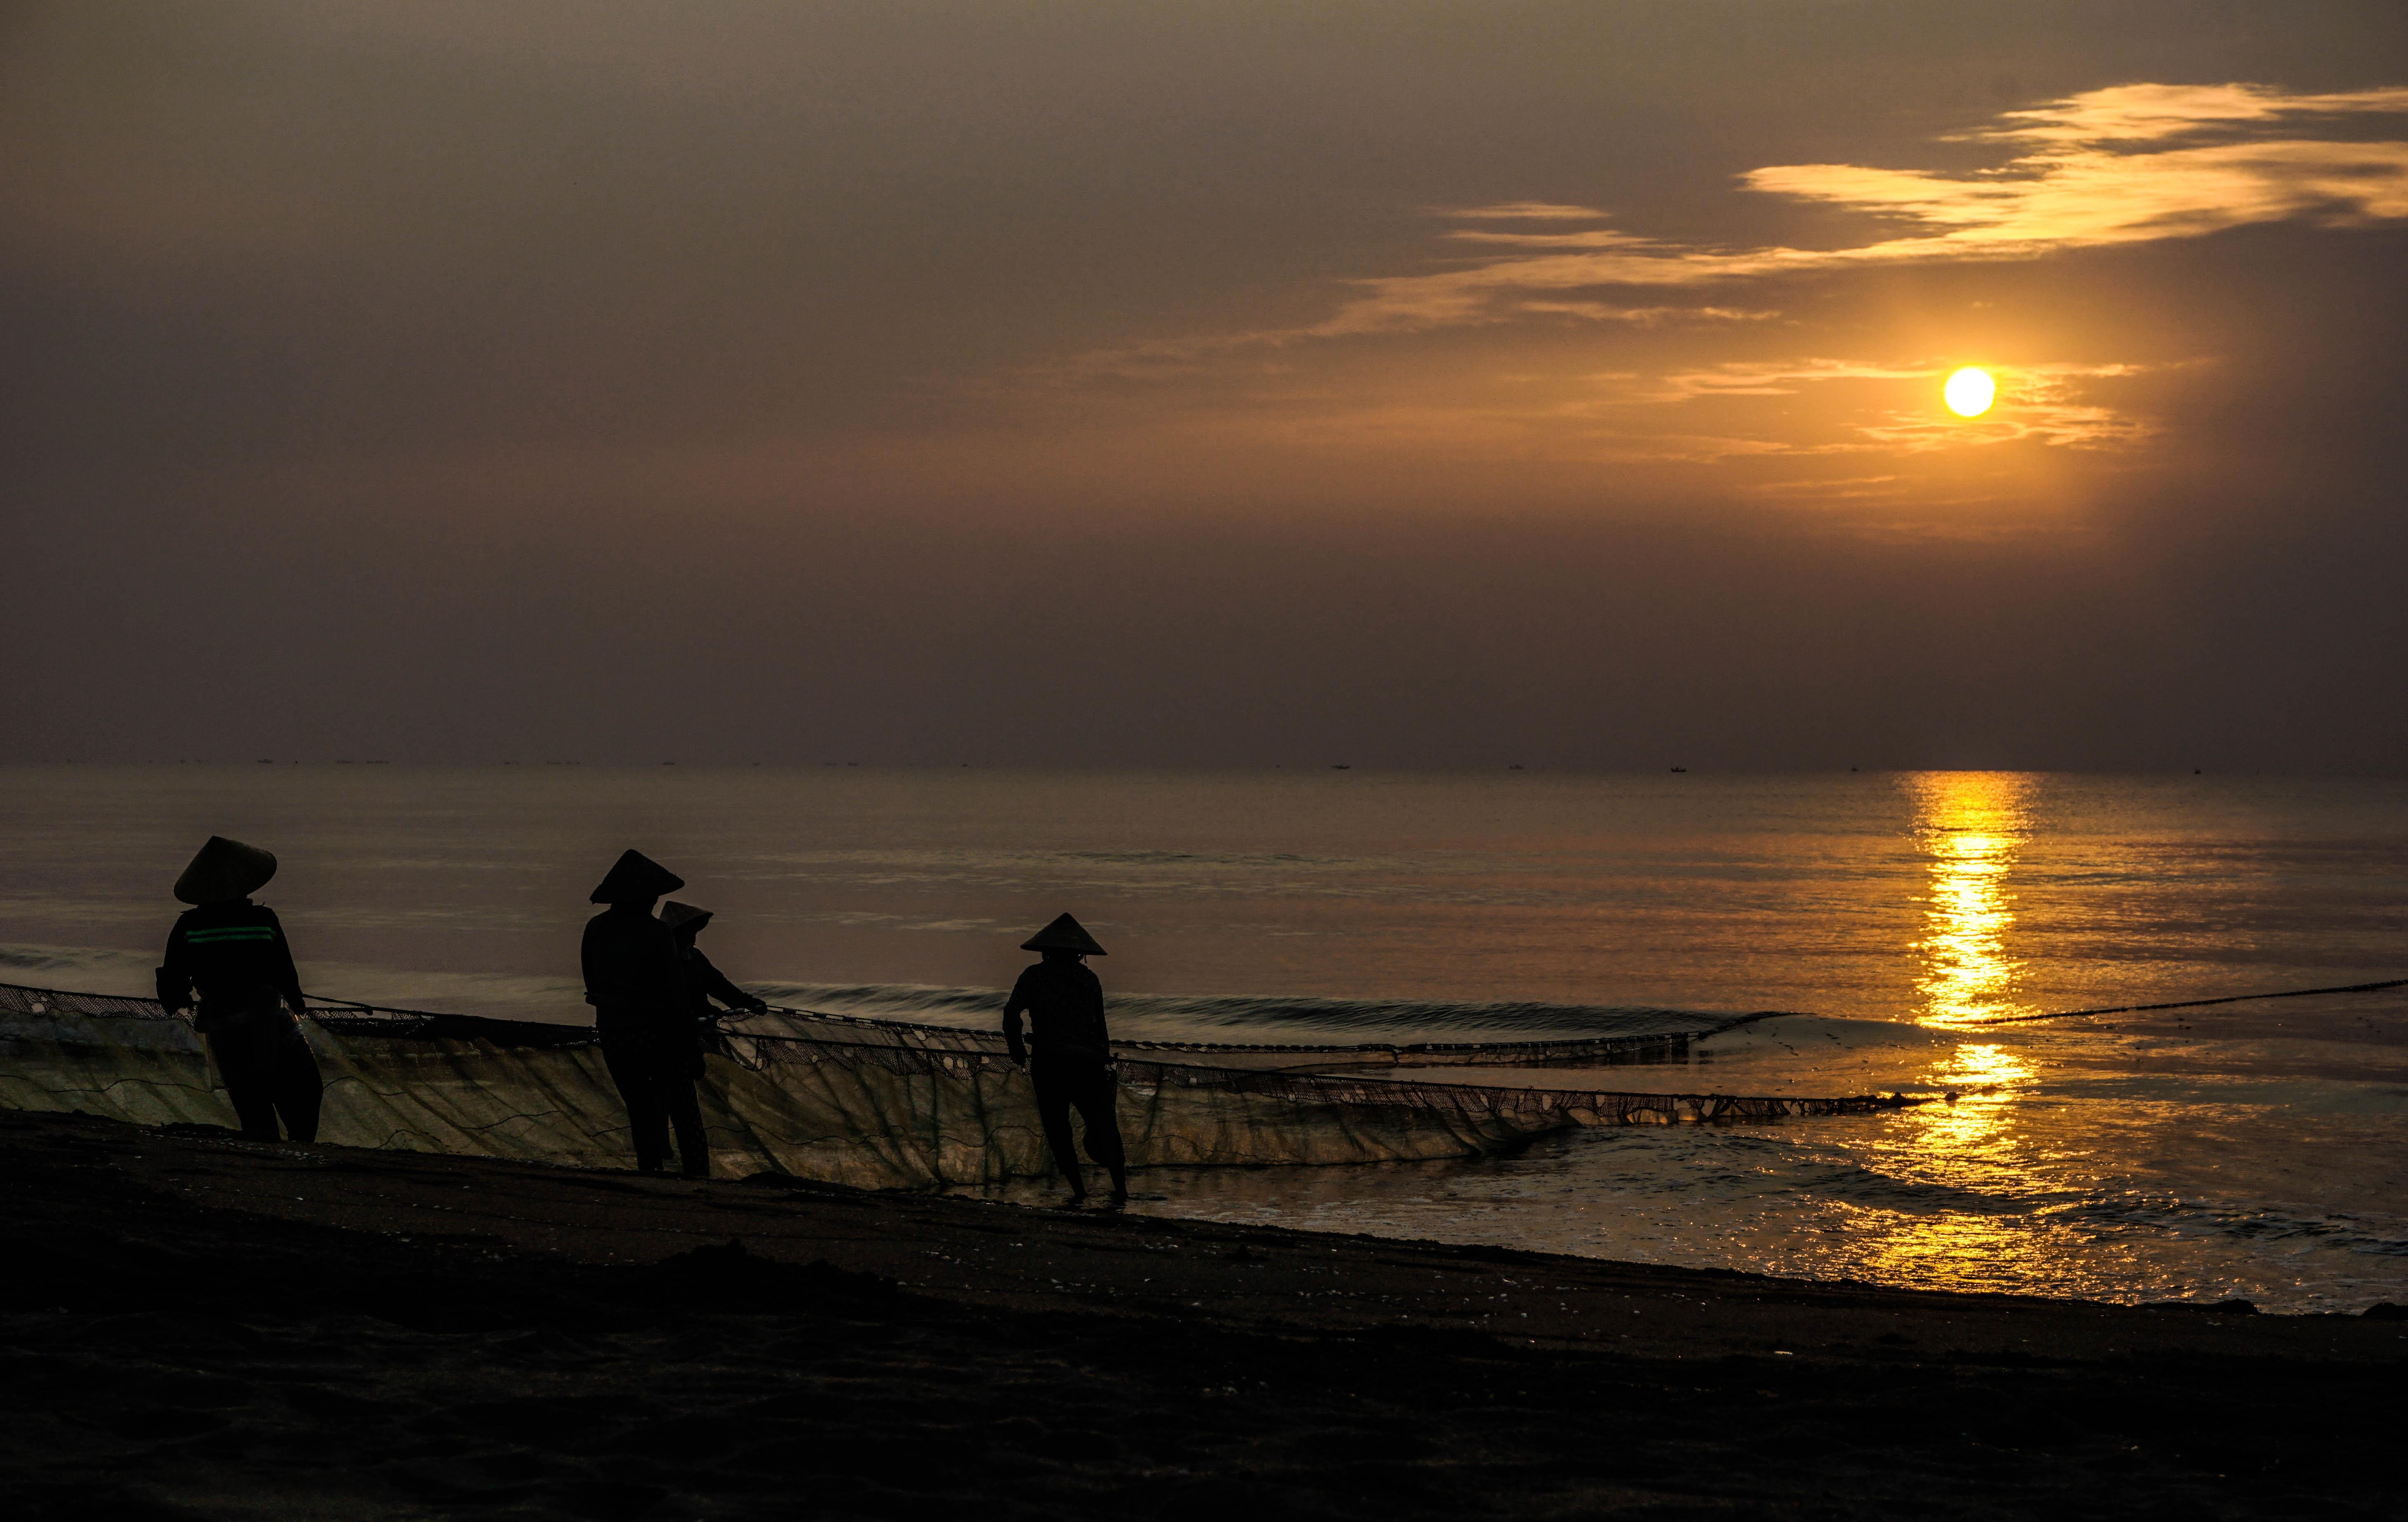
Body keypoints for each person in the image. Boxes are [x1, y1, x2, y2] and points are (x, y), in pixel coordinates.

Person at [156, 835, 322, 1143]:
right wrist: (298, 1003)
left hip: (225, 1031)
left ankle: (270, 1155)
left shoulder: (189, 927)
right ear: (244, 883)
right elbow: (287, 974)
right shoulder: (264, 920)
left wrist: (180, 995)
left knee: (253, 1106)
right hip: (273, 1024)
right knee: (305, 1090)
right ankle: (299, 1154)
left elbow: (171, 990)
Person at [580, 849, 711, 1178]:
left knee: (640, 1107)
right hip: (658, 1035)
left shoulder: (595, 928)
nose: (655, 900)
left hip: (614, 1033)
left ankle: (650, 1170)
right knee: (683, 1108)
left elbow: (592, 982)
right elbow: (676, 996)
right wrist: (692, 1047)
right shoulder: (656, 933)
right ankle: (698, 1175)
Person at [1003, 912, 1128, 1204]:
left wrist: (1018, 1052)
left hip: (1049, 1065)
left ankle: (1079, 1192)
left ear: (1045, 951)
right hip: (1088, 1066)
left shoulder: (1033, 976)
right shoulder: (1088, 979)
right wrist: (1105, 1061)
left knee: (1059, 1131)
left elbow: (1011, 1015)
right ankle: (1121, 1191)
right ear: (1081, 953)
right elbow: (1101, 1027)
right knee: (1105, 1127)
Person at [661, 901, 769, 1049]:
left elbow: (719, 986)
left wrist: (749, 1003)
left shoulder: (696, 957)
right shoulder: (662, 961)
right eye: (687, 933)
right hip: (674, 1032)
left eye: (693, 933)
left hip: (705, 1026)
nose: (692, 938)